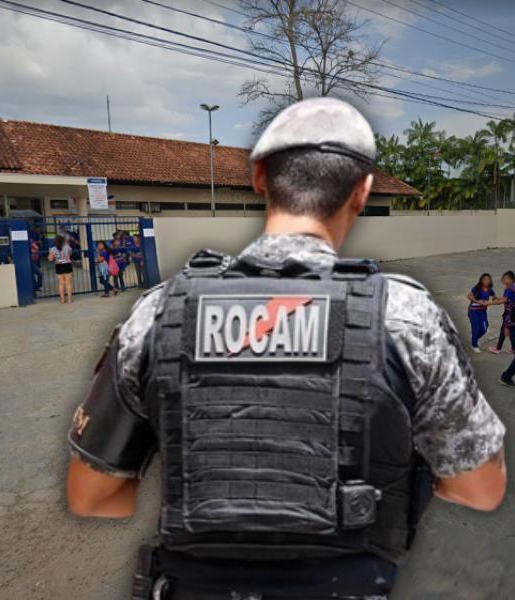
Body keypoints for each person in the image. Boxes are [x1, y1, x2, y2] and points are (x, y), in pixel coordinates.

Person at [66, 98, 506, 600]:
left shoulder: (158, 313)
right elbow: (480, 486)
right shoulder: (406, 317)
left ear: (258, 178)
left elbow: (94, 495)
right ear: (362, 193)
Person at [467, 273, 496, 353]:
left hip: (483, 312)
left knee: (484, 328)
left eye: (488, 279)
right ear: (481, 280)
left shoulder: (490, 289)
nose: (486, 281)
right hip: (474, 311)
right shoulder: (476, 288)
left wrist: (495, 299)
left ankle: (474, 337)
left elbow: (494, 297)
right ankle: (474, 345)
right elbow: (469, 296)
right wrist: (478, 301)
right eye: (485, 279)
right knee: (475, 328)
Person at [489, 270, 515, 354]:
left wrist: (489, 303)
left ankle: (497, 348)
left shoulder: (509, 289)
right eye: (504, 278)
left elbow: (503, 300)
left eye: (507, 278)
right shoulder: (513, 287)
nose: (505, 280)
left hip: (510, 313)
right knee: (511, 330)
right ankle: (513, 348)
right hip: (513, 312)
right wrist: (497, 299)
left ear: (512, 279)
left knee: (504, 331)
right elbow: (506, 299)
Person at [48, 234, 74, 303]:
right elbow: (70, 254)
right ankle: (69, 299)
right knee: (68, 283)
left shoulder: (52, 249)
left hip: (58, 266)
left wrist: (54, 256)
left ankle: (62, 300)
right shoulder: (67, 247)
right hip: (67, 265)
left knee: (61, 283)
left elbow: (50, 259)